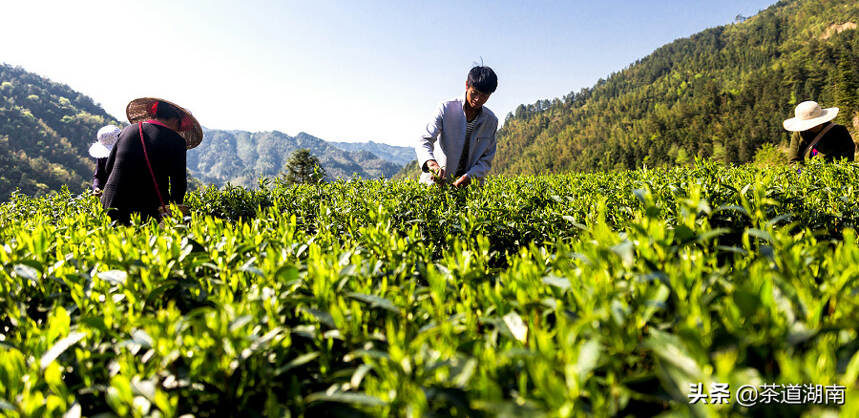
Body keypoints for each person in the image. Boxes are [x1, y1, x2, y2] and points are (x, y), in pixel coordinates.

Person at [101, 97, 202, 224]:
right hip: (146, 206)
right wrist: (175, 211)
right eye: (179, 126)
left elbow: (108, 167)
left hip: (111, 203)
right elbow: (178, 183)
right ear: (175, 120)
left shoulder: (127, 130)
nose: (178, 130)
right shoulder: (176, 141)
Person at [416, 66, 499, 187]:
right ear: (467, 85)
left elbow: (486, 158)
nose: (477, 99)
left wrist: (470, 176)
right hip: (436, 184)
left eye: (484, 96)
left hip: (468, 189)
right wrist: (432, 164)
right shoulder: (445, 108)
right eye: (474, 93)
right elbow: (424, 140)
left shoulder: (490, 121)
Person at [785, 101, 855, 164]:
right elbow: (793, 161)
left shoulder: (839, 131)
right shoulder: (799, 133)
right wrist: (804, 174)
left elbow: (848, 157)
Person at [89, 125, 121, 194]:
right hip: (107, 194)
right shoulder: (102, 157)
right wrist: (96, 187)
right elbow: (98, 176)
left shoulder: (129, 154)